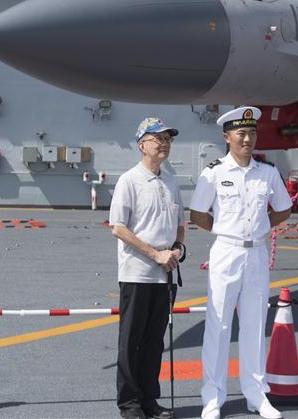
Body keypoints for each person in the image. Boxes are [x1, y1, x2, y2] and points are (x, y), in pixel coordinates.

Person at [189, 107, 293, 419]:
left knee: (254, 324)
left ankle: (256, 395)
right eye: (241, 133)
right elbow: (197, 213)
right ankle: (213, 396)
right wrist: (225, 230)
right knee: (218, 325)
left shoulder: (267, 172)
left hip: (257, 254)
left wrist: (262, 225)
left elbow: (284, 209)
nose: (247, 139)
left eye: (252, 133)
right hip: (226, 251)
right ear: (227, 137)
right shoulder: (214, 172)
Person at [110, 117, 186, 419]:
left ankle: (149, 400)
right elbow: (118, 228)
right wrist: (155, 254)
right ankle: (129, 403)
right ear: (142, 144)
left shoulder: (171, 181)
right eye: (158, 138)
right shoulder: (129, 180)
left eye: (168, 138)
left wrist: (178, 250)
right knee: (131, 341)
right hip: (137, 273)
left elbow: (181, 223)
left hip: (166, 275)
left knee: (155, 341)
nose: (164, 143)